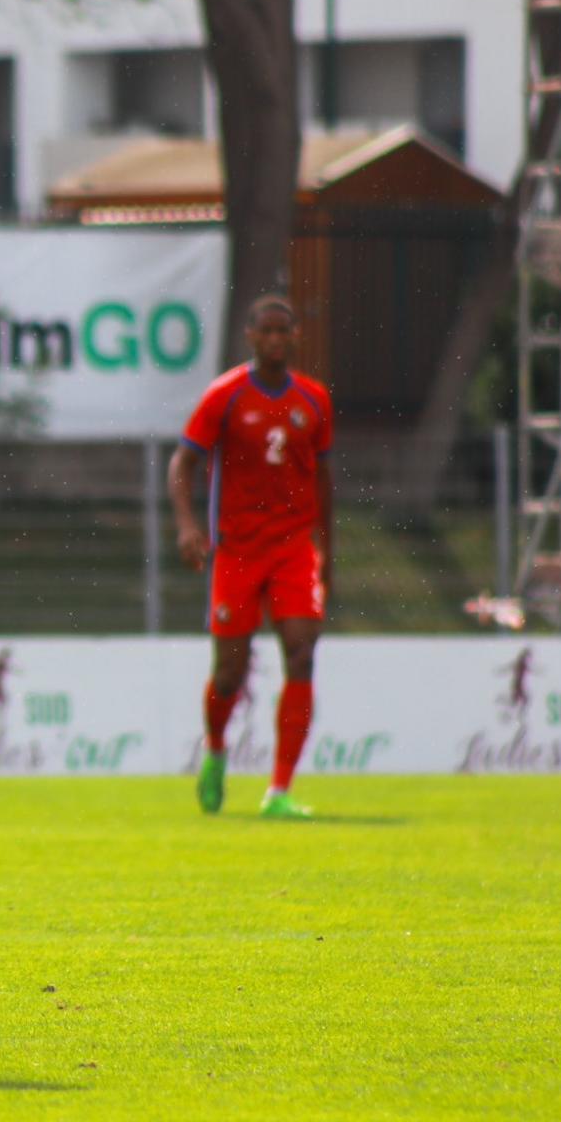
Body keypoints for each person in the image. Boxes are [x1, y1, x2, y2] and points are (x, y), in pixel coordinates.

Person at [168, 295, 334, 820]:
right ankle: (216, 751)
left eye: (284, 330)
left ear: (295, 336)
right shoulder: (225, 395)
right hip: (237, 551)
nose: (276, 339)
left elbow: (323, 478)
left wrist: (327, 548)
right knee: (229, 676)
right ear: (250, 335)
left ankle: (279, 791)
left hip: (293, 548)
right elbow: (183, 462)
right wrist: (188, 525)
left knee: (302, 652)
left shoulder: (314, 400)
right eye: (267, 330)